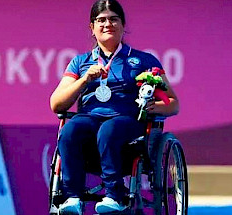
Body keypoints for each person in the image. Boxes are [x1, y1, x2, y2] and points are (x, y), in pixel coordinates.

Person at [50, 0, 179, 214]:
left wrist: (149, 107)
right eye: (101, 20)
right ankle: (72, 197)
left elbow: (172, 103)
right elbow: (56, 104)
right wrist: (83, 81)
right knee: (70, 130)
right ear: (92, 28)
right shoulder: (80, 62)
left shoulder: (144, 60)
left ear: (123, 24)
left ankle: (115, 196)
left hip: (128, 121)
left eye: (113, 19)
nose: (107, 24)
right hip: (90, 119)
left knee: (109, 130)